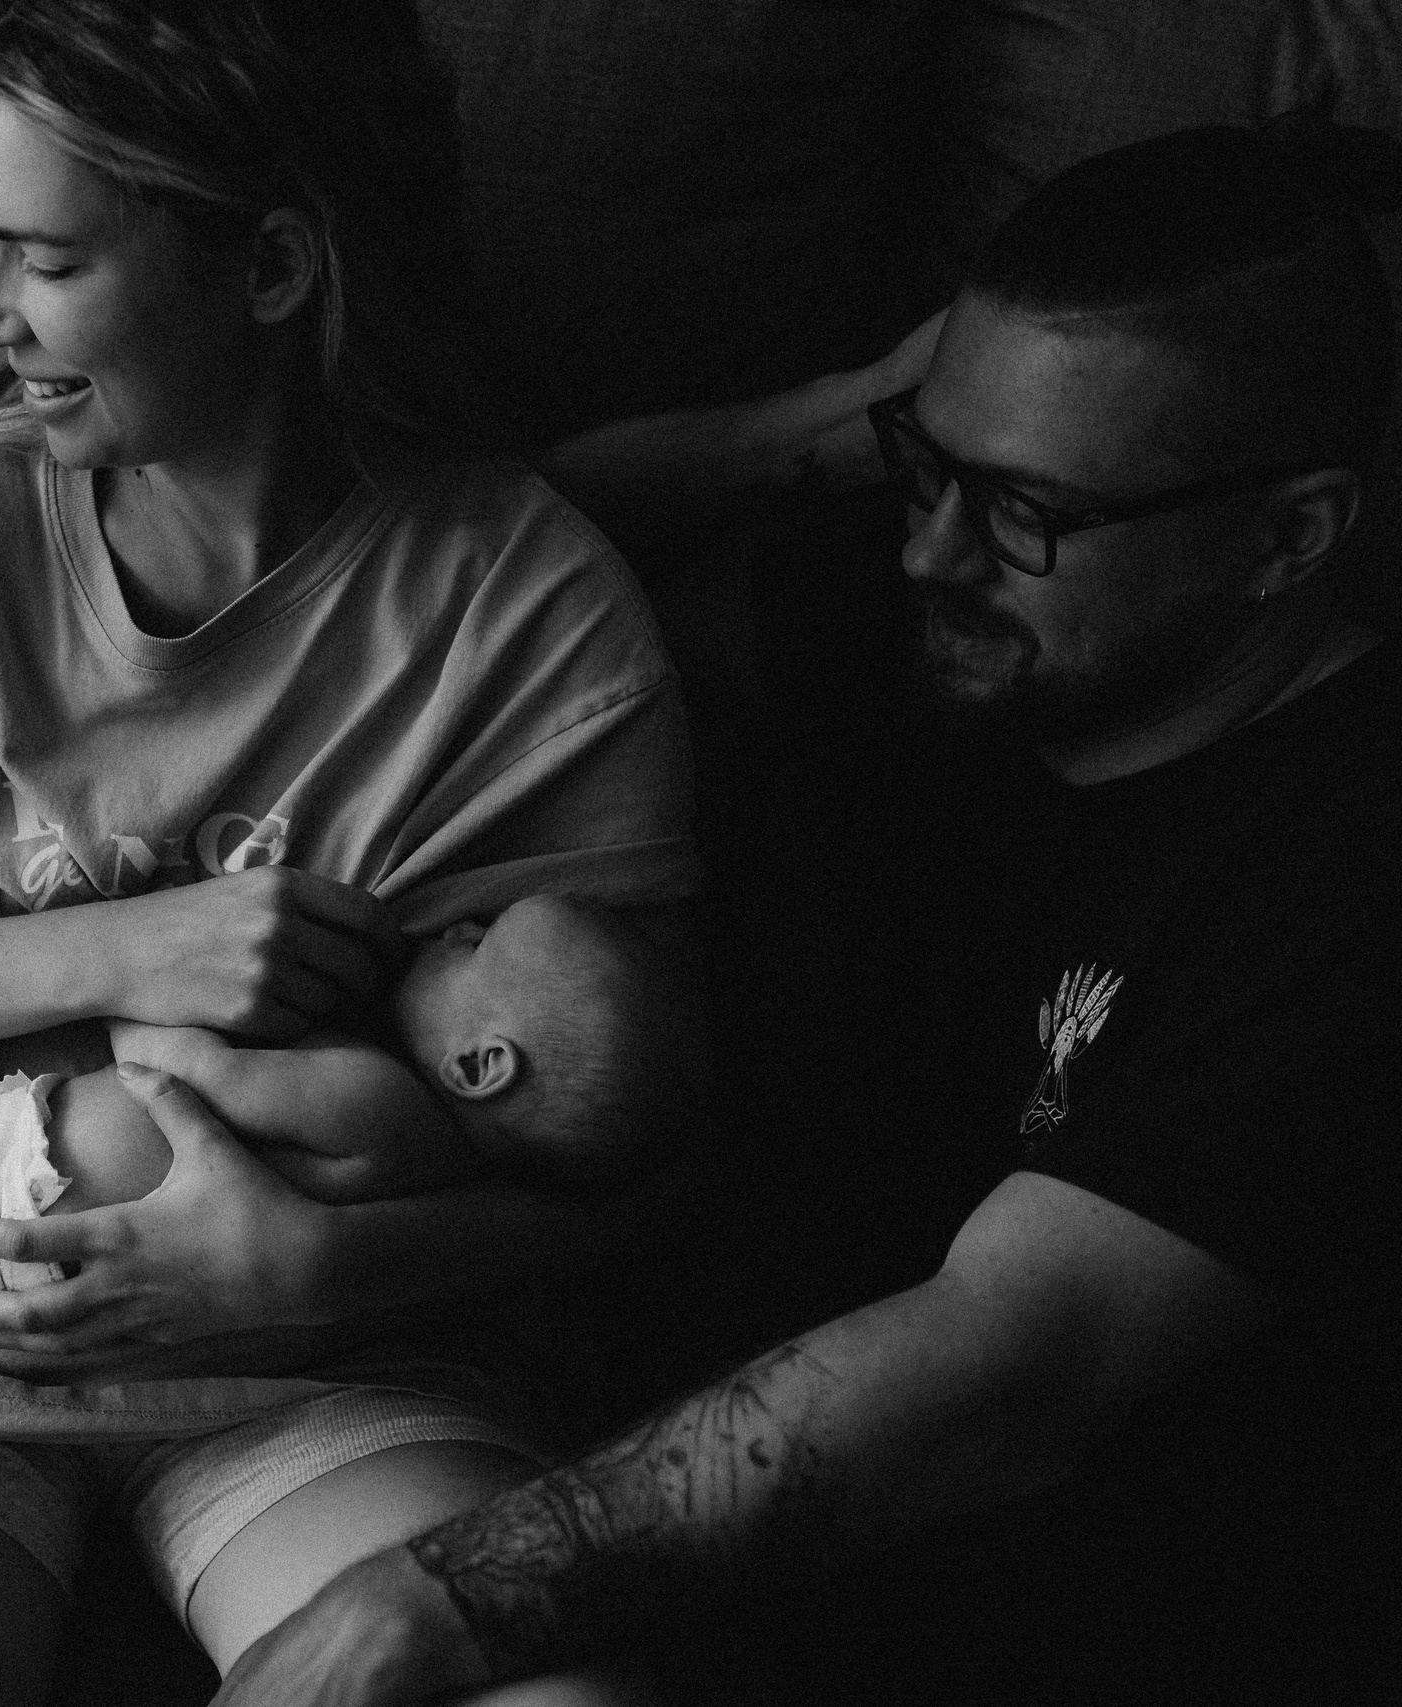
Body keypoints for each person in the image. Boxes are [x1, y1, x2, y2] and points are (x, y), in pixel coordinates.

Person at [211, 117, 1401, 1706]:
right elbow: (493, 557)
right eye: (927, 471)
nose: (933, 546)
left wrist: (429, 1602)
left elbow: (1010, 1365)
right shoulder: (941, 627)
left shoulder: (1344, 863)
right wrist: (853, 421)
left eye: (1028, 508)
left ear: (1290, 535)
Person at [0, 0, 705, 1698]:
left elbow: (637, 1148)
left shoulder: (528, 614)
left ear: (273, 264)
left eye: (43, 258)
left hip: (328, 1362)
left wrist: (332, 1266)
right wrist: (122, 950)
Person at [0, 891, 683, 1313]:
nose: (455, 927)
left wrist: (135, 979)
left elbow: (188, 1077)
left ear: (482, 1067)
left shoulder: (379, 1102)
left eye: (478, 944)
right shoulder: (413, 1152)